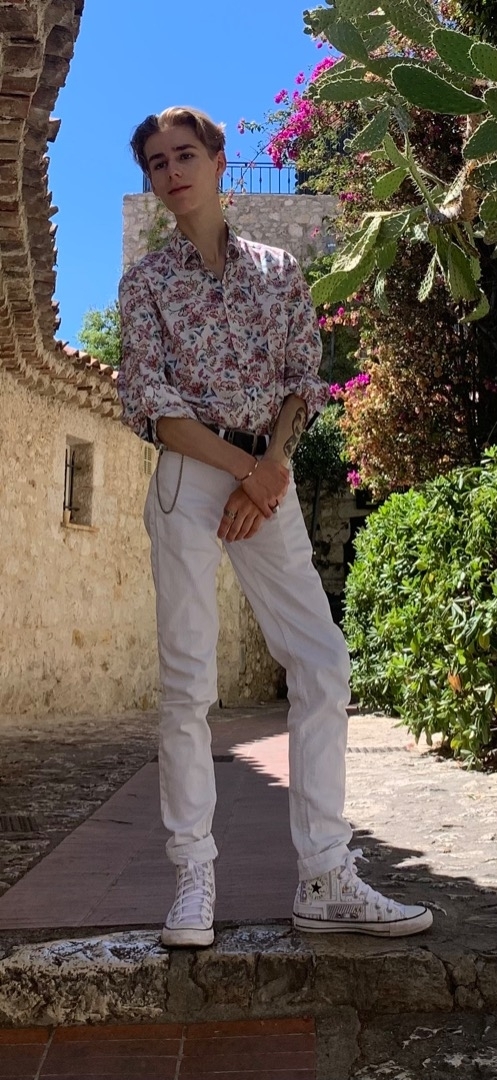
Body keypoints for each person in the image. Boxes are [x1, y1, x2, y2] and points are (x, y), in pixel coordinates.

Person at [117, 105, 433, 948]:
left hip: (268, 478)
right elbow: (151, 403)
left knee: (321, 662)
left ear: (219, 162)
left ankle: (325, 876)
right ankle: (192, 878)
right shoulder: (146, 284)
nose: (171, 172)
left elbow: (301, 378)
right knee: (189, 682)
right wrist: (242, 468)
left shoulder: (278, 270)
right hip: (192, 476)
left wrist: (271, 468)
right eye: (156, 163)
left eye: (185, 155)